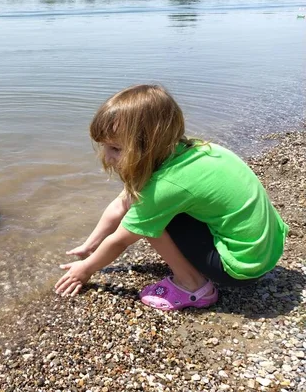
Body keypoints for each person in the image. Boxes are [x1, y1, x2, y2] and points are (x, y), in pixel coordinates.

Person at [55, 85, 287, 310]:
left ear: (149, 145)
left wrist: (85, 269)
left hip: (242, 268)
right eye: (104, 146)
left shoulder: (166, 186)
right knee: (146, 208)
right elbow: (121, 203)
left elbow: (121, 239)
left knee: (149, 222)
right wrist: (89, 245)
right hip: (267, 251)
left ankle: (193, 286)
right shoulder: (196, 151)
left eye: (115, 148)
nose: (106, 157)